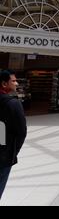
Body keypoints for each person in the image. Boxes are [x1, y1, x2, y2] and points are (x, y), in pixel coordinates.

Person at [0, 70, 27, 200]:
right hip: (3, 156)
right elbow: (21, 132)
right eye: (13, 81)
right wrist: (13, 152)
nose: (16, 83)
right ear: (4, 84)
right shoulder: (13, 103)